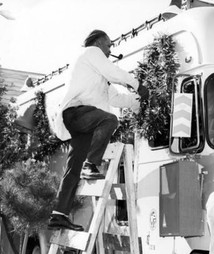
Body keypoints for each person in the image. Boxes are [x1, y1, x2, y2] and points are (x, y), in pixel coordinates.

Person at [48, 29, 149, 231]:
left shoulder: (97, 74)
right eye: (109, 44)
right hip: (77, 113)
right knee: (110, 120)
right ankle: (91, 165)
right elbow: (113, 71)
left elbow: (117, 99)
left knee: (72, 169)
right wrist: (138, 85)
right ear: (98, 42)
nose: (110, 49)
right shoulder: (91, 52)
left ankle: (58, 214)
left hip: (82, 121)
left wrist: (139, 101)